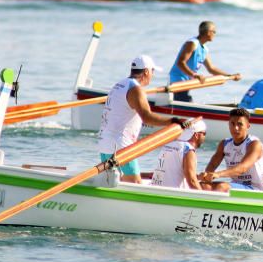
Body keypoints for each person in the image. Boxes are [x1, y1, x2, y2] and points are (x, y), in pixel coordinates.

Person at [96, 54, 192, 184]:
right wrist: (172, 121)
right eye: (152, 71)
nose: (152, 75)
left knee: (113, 182)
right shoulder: (135, 89)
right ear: (146, 72)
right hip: (121, 146)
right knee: (135, 183)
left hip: (105, 142)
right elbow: (147, 117)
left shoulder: (119, 84)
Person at [168, 21, 241, 102]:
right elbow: (180, 63)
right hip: (178, 81)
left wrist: (229, 75)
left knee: (187, 101)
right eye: (214, 32)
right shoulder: (192, 43)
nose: (215, 34)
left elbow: (211, 68)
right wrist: (194, 75)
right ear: (209, 32)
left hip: (187, 83)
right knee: (187, 103)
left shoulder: (204, 49)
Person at [200, 108, 263, 192]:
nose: (235, 128)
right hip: (235, 185)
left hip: (253, 188)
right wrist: (206, 175)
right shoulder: (224, 144)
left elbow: (242, 168)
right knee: (204, 185)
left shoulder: (254, 144)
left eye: (240, 124)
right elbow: (213, 164)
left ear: (248, 126)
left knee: (221, 187)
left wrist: (218, 174)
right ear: (228, 124)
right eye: (232, 124)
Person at [151, 119, 208, 190]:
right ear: (196, 135)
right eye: (204, 133)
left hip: (156, 189)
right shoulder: (188, 150)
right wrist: (202, 197)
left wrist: (197, 177)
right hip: (173, 194)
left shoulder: (168, 144)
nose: (204, 137)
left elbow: (172, 172)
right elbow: (192, 181)